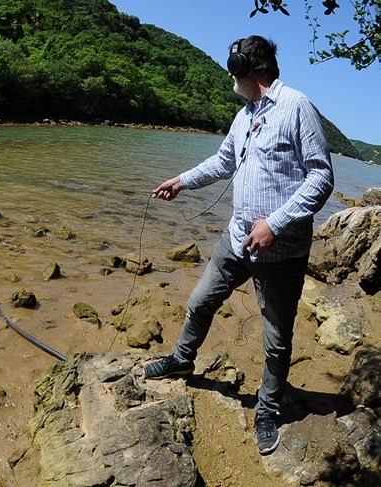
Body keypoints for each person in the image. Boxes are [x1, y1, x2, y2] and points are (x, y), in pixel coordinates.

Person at [143, 35, 334, 455]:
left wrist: (275, 223)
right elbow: (223, 161)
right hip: (235, 241)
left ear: (245, 66)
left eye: (232, 65)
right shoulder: (244, 115)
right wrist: (181, 180)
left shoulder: (296, 107)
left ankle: (267, 408)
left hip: (280, 252)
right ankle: (182, 359)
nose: (229, 73)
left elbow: (321, 178)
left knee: (277, 340)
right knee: (199, 301)